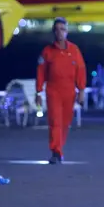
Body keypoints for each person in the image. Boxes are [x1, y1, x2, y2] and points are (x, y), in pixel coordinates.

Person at [36, 17, 87, 164]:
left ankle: (59, 148)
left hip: (69, 91)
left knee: (65, 123)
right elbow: (40, 72)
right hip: (53, 90)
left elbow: (81, 70)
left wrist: (81, 91)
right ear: (53, 32)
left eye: (62, 29)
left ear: (67, 32)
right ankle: (56, 151)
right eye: (57, 29)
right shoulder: (47, 52)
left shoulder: (74, 50)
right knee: (55, 121)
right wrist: (38, 92)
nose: (60, 32)